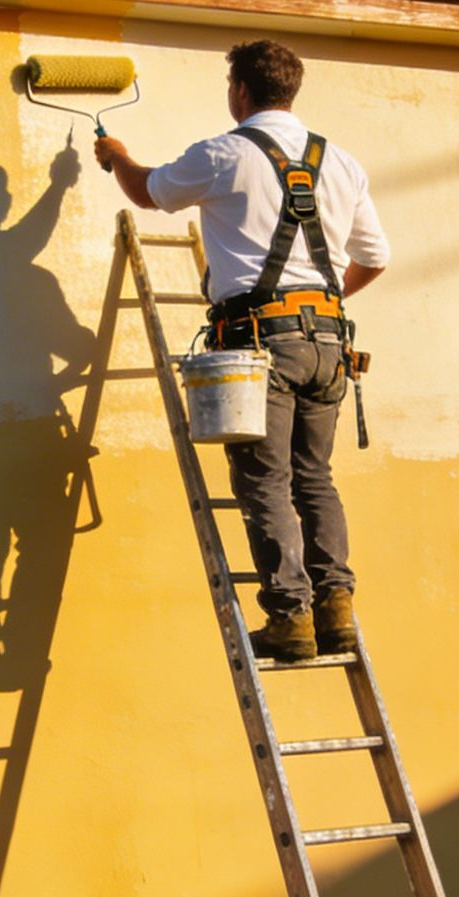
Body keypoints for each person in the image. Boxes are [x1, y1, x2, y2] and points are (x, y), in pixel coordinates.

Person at [94, 39, 390, 661]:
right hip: (330, 342)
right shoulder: (340, 161)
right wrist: (328, 301)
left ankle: (291, 619)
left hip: (261, 343)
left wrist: (116, 155)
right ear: (292, 89)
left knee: (265, 480)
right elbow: (375, 257)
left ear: (240, 90)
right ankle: (335, 607)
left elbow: (148, 192)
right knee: (315, 478)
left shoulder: (225, 153)